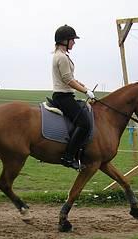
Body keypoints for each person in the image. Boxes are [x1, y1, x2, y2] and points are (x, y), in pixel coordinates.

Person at [52, 24, 95, 170]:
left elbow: (71, 78)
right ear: (65, 40)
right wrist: (85, 92)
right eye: (72, 39)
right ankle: (68, 157)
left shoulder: (62, 56)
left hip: (65, 94)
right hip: (63, 97)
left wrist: (85, 87)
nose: (74, 42)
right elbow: (68, 80)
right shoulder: (62, 58)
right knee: (85, 124)